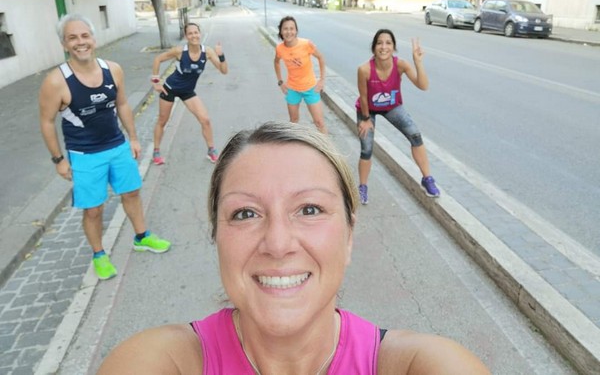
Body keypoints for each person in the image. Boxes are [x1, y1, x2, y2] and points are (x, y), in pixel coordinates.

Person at [97, 121, 490, 374]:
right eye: (246, 214)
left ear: (349, 235)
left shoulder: (421, 366)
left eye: (310, 209)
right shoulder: (162, 363)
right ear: (217, 237)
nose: (278, 244)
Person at [38, 13, 171, 281]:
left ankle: (142, 237)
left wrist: (132, 137)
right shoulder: (56, 81)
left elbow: (122, 104)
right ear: (65, 45)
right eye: (72, 38)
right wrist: (58, 160)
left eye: (85, 35)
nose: (80, 42)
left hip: (117, 146)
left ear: (93, 39)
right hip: (85, 155)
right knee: (94, 209)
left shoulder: (113, 69)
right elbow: (46, 121)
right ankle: (99, 254)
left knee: (132, 193)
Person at [356, 29, 440, 205]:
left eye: (388, 43)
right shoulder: (364, 70)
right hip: (367, 110)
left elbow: (423, 86)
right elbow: (363, 97)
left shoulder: (401, 65)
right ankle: (362, 187)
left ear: (393, 47)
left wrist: (418, 62)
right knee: (366, 148)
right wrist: (365, 120)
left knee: (415, 135)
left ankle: (427, 179)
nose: (384, 47)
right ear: (373, 48)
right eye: (379, 43)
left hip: (392, 106)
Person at [151, 22, 228, 165]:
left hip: (187, 91)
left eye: (196, 32)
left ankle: (211, 150)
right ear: (186, 36)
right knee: (162, 120)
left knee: (205, 119)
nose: (194, 36)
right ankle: (156, 151)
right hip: (169, 88)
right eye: (190, 33)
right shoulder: (179, 51)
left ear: (200, 34)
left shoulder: (208, 52)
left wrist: (221, 55)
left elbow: (224, 71)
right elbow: (158, 59)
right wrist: (156, 81)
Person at [274, 16, 327, 133]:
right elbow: (276, 62)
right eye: (285, 29)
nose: (289, 32)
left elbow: (321, 58)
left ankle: (327, 150)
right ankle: (294, 148)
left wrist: (322, 80)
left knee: (319, 122)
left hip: (310, 88)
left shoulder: (306, 44)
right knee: (293, 121)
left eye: (292, 29)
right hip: (292, 89)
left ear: (296, 31)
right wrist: (280, 82)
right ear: (281, 31)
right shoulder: (280, 48)